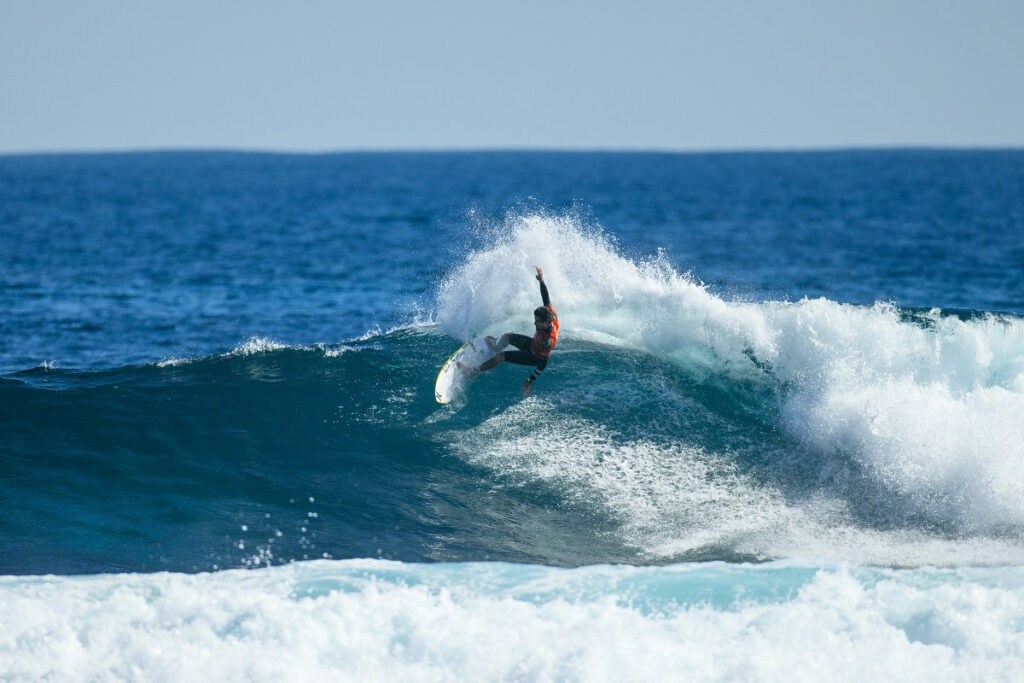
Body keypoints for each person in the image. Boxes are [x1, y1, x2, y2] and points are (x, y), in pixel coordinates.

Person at [461, 266, 559, 396]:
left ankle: (472, 372)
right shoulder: (550, 315)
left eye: (538, 322)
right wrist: (541, 281)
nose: (534, 322)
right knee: (508, 337)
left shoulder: (548, 341)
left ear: (546, 323)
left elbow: (542, 363)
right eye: (535, 320)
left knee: (502, 356)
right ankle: (495, 348)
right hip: (533, 344)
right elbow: (546, 299)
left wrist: (530, 380)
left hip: (534, 356)